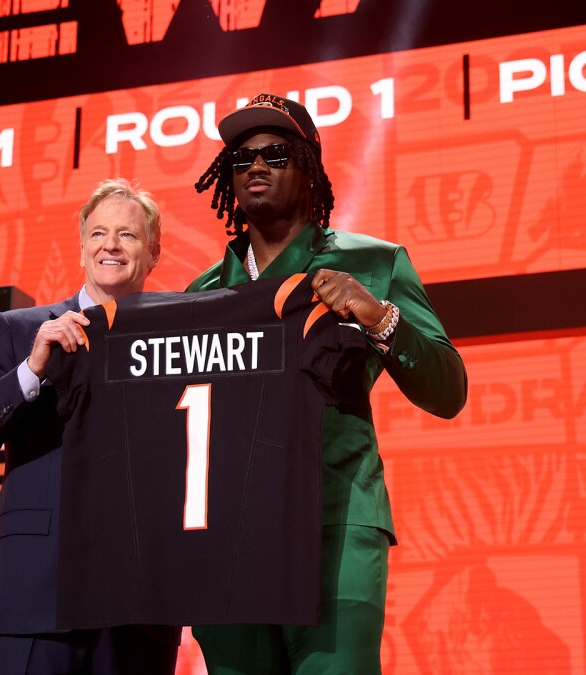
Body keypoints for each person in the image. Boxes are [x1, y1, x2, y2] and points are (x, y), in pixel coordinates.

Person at [187, 93, 469, 674]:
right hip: (229, 535)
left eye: (275, 153)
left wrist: (379, 317)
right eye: (241, 158)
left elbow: (448, 391)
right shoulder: (202, 294)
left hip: (334, 524)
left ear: (308, 166)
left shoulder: (375, 264)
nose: (256, 166)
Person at [0, 178, 179, 674]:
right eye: (98, 234)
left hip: (140, 601)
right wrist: (31, 370)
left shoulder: (179, 341)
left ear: (154, 253)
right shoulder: (19, 330)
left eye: (128, 235)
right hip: (38, 593)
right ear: (81, 248)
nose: (111, 246)